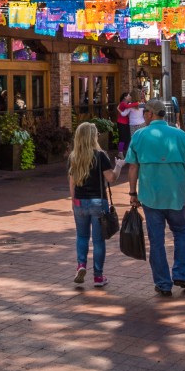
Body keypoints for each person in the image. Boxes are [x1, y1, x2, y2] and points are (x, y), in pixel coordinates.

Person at [124, 100, 185, 297]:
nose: (143, 115)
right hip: (176, 195)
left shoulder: (139, 136)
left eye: (145, 112)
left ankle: (163, 283)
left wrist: (132, 193)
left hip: (151, 196)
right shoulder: (180, 135)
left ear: (150, 114)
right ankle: (181, 274)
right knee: (181, 232)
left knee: (156, 239)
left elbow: (133, 167)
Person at [67, 122, 115, 289]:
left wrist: (74, 201)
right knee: (98, 241)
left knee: (82, 236)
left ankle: (81, 265)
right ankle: (98, 276)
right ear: (92, 137)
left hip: (79, 202)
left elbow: (72, 183)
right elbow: (111, 178)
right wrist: (119, 167)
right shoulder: (100, 155)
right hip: (98, 202)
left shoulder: (74, 157)